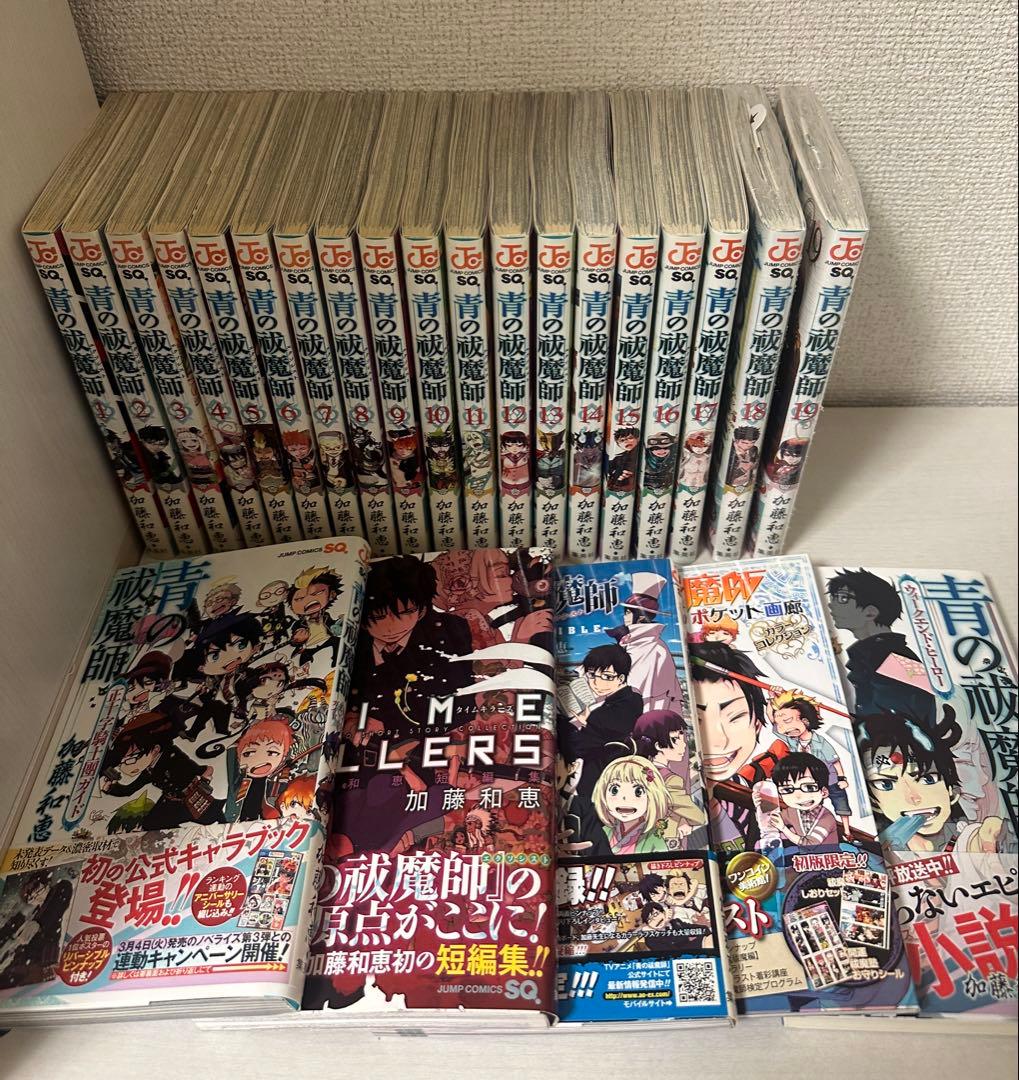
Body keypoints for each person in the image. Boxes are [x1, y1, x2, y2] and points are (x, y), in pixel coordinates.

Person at [688, 640, 788, 852]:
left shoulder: (753, 792)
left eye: (734, 717)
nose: (718, 740)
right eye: (697, 719)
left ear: (757, 725)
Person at [825, 568, 934, 725]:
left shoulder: (893, 658)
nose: (830, 605)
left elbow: (897, 722)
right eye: (833, 597)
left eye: (843, 598)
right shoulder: (873, 655)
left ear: (870, 613)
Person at [562, 644, 643, 798]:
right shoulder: (634, 698)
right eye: (592, 675)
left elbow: (577, 747)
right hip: (615, 778)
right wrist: (586, 723)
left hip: (599, 783)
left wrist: (565, 724)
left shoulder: (602, 715)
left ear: (621, 678)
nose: (596, 683)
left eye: (606, 677)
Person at [769, 690, 852, 839]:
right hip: (808, 781)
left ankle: (847, 832)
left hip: (831, 780)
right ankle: (810, 829)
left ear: (806, 721)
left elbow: (835, 761)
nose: (783, 728)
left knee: (841, 804)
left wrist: (842, 779)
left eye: (787, 721)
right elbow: (772, 720)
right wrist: (771, 699)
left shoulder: (820, 742)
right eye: (781, 724)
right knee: (811, 804)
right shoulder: (792, 739)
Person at [606, 572, 685, 712]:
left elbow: (655, 694)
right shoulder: (629, 641)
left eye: (628, 612)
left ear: (641, 617)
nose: (624, 617)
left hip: (646, 711)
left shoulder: (655, 648)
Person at [633, 709, 706, 845]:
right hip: (663, 843)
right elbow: (698, 816)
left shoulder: (636, 771)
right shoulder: (670, 780)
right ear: (658, 746)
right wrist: (685, 820)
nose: (684, 744)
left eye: (683, 737)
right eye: (675, 739)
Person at [591, 755, 669, 854]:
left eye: (638, 791)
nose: (624, 798)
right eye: (615, 790)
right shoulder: (603, 832)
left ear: (652, 796)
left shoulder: (654, 838)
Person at [761, 753, 841, 849]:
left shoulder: (827, 818)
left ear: (824, 792)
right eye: (788, 790)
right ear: (780, 795)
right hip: (801, 856)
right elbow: (770, 821)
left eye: (809, 787)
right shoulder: (792, 811)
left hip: (827, 856)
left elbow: (810, 844)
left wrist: (783, 828)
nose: (798, 796)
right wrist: (762, 800)